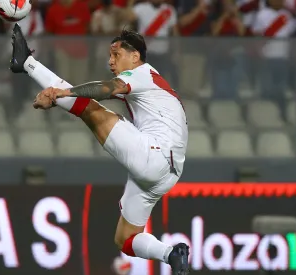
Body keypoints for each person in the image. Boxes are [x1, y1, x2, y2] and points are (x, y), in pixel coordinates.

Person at [10, 24, 190, 274]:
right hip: (168, 173)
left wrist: (61, 94)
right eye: (109, 55)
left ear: (135, 56)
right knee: (126, 240)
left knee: (88, 108)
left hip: (155, 155)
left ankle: (26, 63)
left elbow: (104, 90)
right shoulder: (146, 83)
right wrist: (57, 89)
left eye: (116, 54)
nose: (110, 60)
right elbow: (97, 91)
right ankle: (171, 254)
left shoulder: (142, 74)